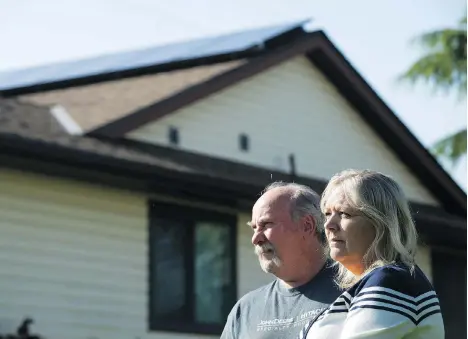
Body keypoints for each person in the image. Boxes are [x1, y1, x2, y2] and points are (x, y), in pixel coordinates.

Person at [299, 169, 445, 339]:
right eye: (327, 214)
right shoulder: (373, 284)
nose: (329, 225)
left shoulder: (391, 281)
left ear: (380, 223)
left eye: (344, 214)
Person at [221, 181, 341, 339]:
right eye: (254, 228)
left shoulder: (354, 290)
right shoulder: (245, 310)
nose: (256, 239)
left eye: (266, 225)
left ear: (307, 225)